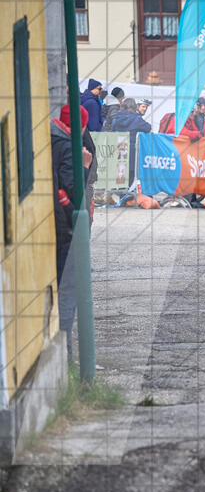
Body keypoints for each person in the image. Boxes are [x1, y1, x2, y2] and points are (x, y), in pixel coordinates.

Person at [51, 106, 94, 357]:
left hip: (53, 224)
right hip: (66, 227)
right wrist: (85, 166)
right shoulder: (68, 147)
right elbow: (74, 190)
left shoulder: (51, 139)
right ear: (82, 126)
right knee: (69, 292)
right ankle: (64, 357)